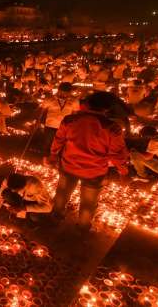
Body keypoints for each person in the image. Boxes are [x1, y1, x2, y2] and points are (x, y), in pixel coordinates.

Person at [49, 91, 129, 231]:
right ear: (107, 108)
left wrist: (53, 155)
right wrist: (123, 172)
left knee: (62, 192)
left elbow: (59, 140)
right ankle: (83, 227)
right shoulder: (112, 128)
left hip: (69, 165)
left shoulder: (70, 120)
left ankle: (56, 216)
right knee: (88, 202)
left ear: (87, 104)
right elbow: (117, 155)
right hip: (94, 171)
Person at [39, 82, 80, 158]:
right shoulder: (50, 98)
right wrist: (39, 122)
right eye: (61, 92)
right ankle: (45, 158)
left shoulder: (74, 101)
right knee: (48, 143)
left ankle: (57, 159)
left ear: (70, 92)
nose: (63, 95)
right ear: (58, 90)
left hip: (64, 127)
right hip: (50, 125)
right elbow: (42, 111)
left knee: (61, 145)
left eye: (66, 93)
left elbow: (75, 115)